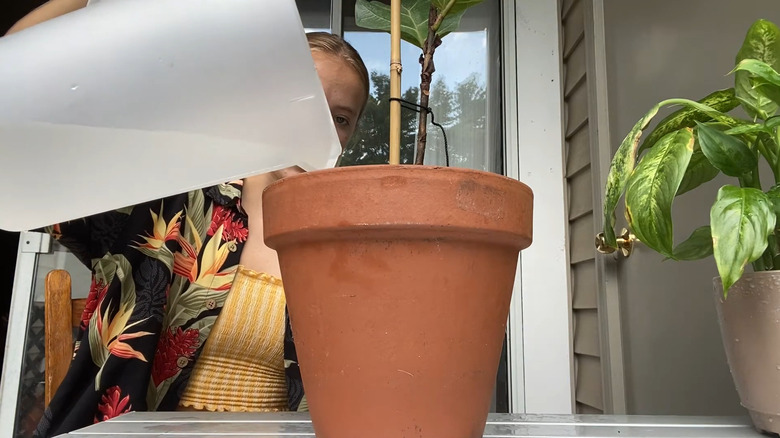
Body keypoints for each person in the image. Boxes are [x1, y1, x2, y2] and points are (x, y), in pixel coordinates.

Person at [4, 3, 370, 437]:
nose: (319, 126)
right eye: (305, 99)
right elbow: (13, 99)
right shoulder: (170, 200)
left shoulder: (342, 248)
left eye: (340, 118)